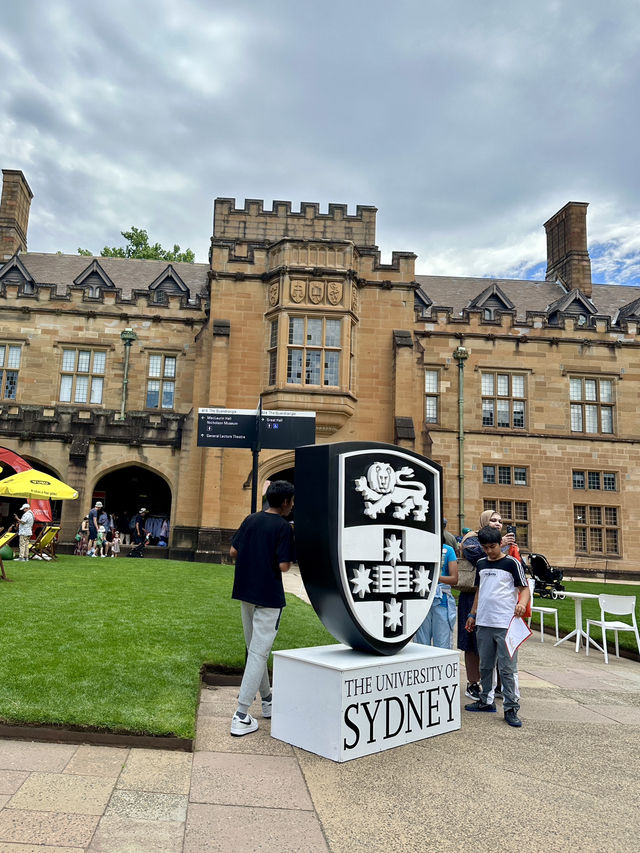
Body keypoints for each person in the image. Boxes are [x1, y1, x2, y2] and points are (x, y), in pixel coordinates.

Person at [229, 480, 295, 737]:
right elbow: (284, 566)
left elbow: (233, 551)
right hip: (268, 595)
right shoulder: (283, 527)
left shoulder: (250, 520)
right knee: (258, 652)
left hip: (245, 591)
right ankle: (241, 714)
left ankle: (267, 700)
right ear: (287, 502)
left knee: (255, 649)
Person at [464, 524, 530, 727]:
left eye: (492, 546)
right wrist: (472, 614)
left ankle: (511, 707)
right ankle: (486, 700)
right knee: (485, 664)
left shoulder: (512, 563)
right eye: (485, 547)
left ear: (500, 544)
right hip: (484, 621)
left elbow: (524, 588)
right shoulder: (482, 564)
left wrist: (521, 603)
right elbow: (479, 590)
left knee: (507, 667)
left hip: (505, 622)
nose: (489, 551)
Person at [414, 529, 458, 649]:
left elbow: (454, 579)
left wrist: (435, 577)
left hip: (441, 600)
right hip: (422, 598)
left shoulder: (448, 550)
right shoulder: (418, 550)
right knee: (421, 643)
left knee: (442, 643)